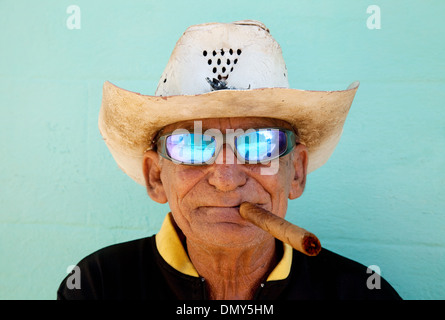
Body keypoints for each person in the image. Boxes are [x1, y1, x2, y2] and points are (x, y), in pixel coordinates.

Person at [57, 20, 401, 300]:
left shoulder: (362, 295)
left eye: (259, 144)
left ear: (296, 172)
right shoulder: (97, 287)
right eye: (193, 147)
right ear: (156, 177)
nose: (226, 178)